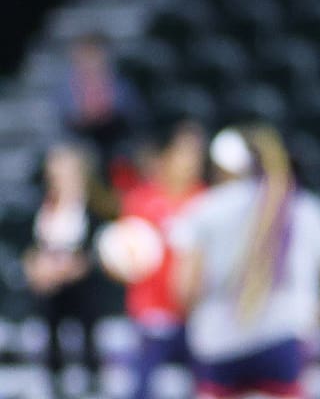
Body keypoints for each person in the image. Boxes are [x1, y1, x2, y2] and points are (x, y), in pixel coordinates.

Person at [170, 125, 320, 398]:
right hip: (286, 337)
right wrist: (314, 319)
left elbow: (185, 289)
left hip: (218, 341)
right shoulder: (307, 208)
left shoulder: (205, 208)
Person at [115, 122, 208, 399]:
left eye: (197, 155)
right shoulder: (141, 200)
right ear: (167, 156)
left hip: (197, 313)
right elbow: (123, 256)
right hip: (152, 312)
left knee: (207, 386)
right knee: (142, 385)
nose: (191, 162)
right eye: (184, 153)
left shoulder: (207, 201)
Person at [25, 144, 109, 399]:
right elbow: (31, 245)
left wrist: (71, 268)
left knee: (88, 327)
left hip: (80, 280)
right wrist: (37, 268)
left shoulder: (91, 206)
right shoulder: (43, 205)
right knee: (51, 326)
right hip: (51, 280)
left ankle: (92, 376)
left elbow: (97, 244)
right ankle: (55, 377)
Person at [57, 33, 147, 185]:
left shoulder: (122, 85)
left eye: (95, 54)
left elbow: (136, 118)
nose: (91, 61)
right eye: (86, 55)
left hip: (116, 142)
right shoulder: (64, 89)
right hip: (79, 142)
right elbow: (62, 123)